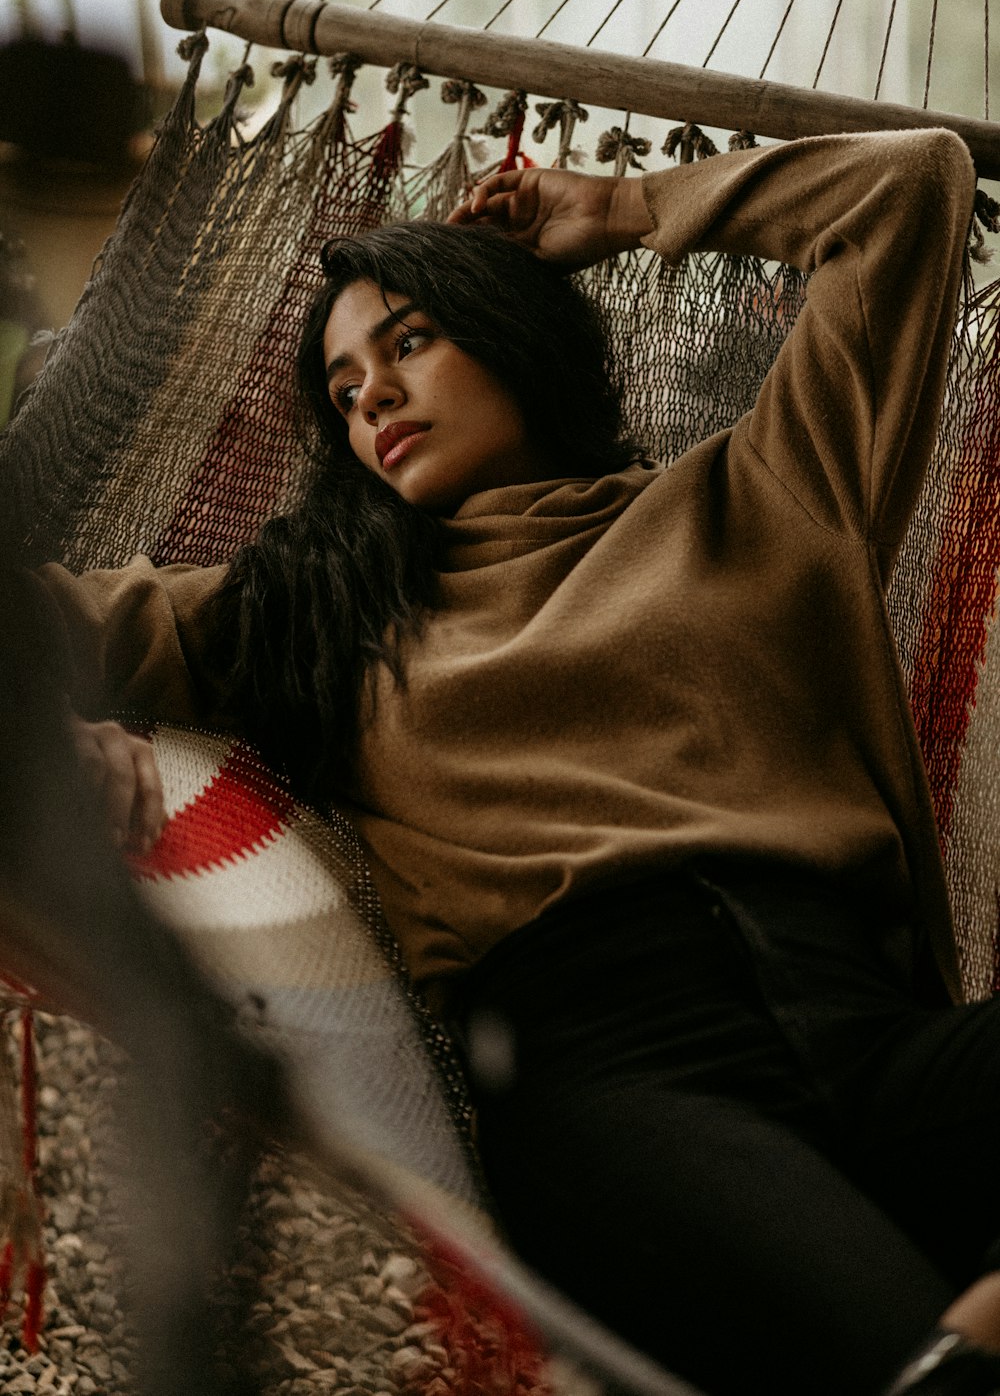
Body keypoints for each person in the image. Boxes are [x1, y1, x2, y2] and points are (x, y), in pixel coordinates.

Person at [35, 127, 1000, 1396]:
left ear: (513, 329)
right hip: (624, 1077)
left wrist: (618, 206)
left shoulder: (765, 500)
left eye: (410, 340)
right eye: (341, 388)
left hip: (876, 1027)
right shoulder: (311, 613)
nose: (370, 393)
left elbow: (909, 189)